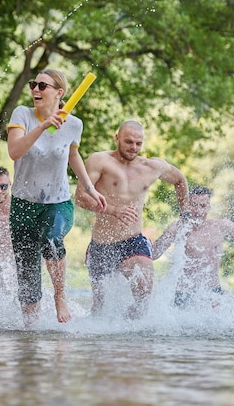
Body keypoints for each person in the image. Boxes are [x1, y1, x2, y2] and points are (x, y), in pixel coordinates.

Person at [7, 68, 107, 326]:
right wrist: (42, 126)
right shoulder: (23, 115)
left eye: (43, 86)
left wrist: (89, 187)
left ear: (59, 93)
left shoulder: (74, 124)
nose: (36, 90)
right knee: (28, 274)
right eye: (34, 85)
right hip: (22, 204)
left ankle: (60, 296)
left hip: (57, 202)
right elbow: (15, 152)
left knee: (52, 241)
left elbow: (73, 155)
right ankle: (31, 333)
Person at [75, 120, 189, 318]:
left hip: (132, 241)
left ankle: (135, 333)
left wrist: (186, 215)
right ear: (117, 138)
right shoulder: (99, 161)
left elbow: (180, 180)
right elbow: (80, 197)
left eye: (138, 143)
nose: (133, 147)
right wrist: (112, 210)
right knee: (100, 308)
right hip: (102, 244)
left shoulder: (152, 166)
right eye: (128, 142)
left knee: (144, 290)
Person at [152, 185, 234, 308]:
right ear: (188, 206)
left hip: (212, 292)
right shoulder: (178, 228)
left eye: (203, 206)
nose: (198, 210)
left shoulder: (221, 226)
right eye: (194, 205)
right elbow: (154, 253)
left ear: (208, 208)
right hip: (184, 294)